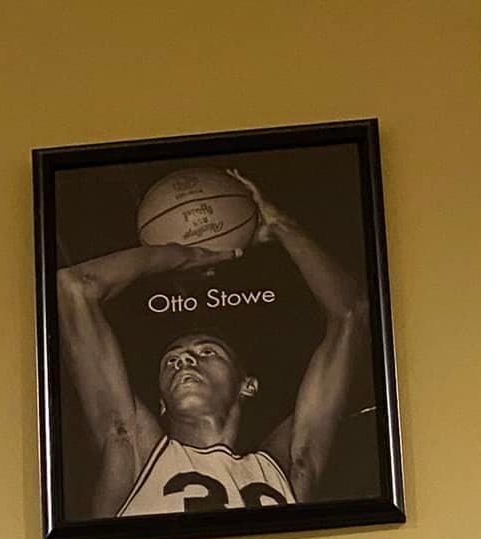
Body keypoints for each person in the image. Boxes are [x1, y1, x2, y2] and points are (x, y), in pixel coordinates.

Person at [56, 167, 367, 520]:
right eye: (171, 361)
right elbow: (74, 288)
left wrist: (282, 226)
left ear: (247, 385)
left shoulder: (287, 466)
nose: (185, 362)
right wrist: (187, 255)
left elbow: (351, 314)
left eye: (207, 352)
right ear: (161, 401)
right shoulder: (132, 452)